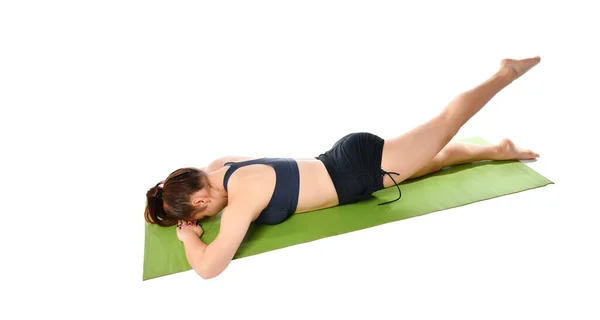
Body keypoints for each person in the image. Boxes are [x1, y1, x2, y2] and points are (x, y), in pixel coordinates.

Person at [144, 56, 542, 279]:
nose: (207, 217)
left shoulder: (240, 203)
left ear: (199, 198)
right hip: (339, 159)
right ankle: (497, 149)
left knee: (442, 125)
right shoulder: (221, 165)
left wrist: (189, 240)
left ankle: (502, 74)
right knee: (430, 160)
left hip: (358, 170)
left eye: (200, 212)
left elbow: (209, 268)